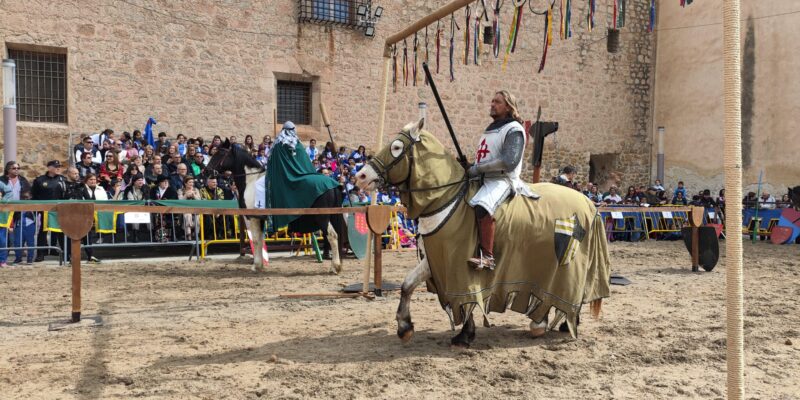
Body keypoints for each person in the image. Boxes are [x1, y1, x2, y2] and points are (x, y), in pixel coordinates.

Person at [466, 90, 537, 271]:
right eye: (492, 101)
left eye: (497, 102)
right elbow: (486, 157)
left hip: (503, 179)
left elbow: (508, 162)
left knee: (482, 205)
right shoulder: (491, 129)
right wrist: (469, 166)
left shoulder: (513, 129)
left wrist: (477, 168)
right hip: (484, 177)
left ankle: (488, 257)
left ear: (508, 107)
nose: (492, 104)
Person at [32, 160, 67, 262]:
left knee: (61, 231)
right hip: (44, 210)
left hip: (59, 210)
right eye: (56, 166)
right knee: (43, 232)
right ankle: (41, 254)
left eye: (59, 166)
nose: (58, 168)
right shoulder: (40, 180)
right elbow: (34, 195)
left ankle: (65, 253)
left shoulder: (63, 180)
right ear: (49, 168)